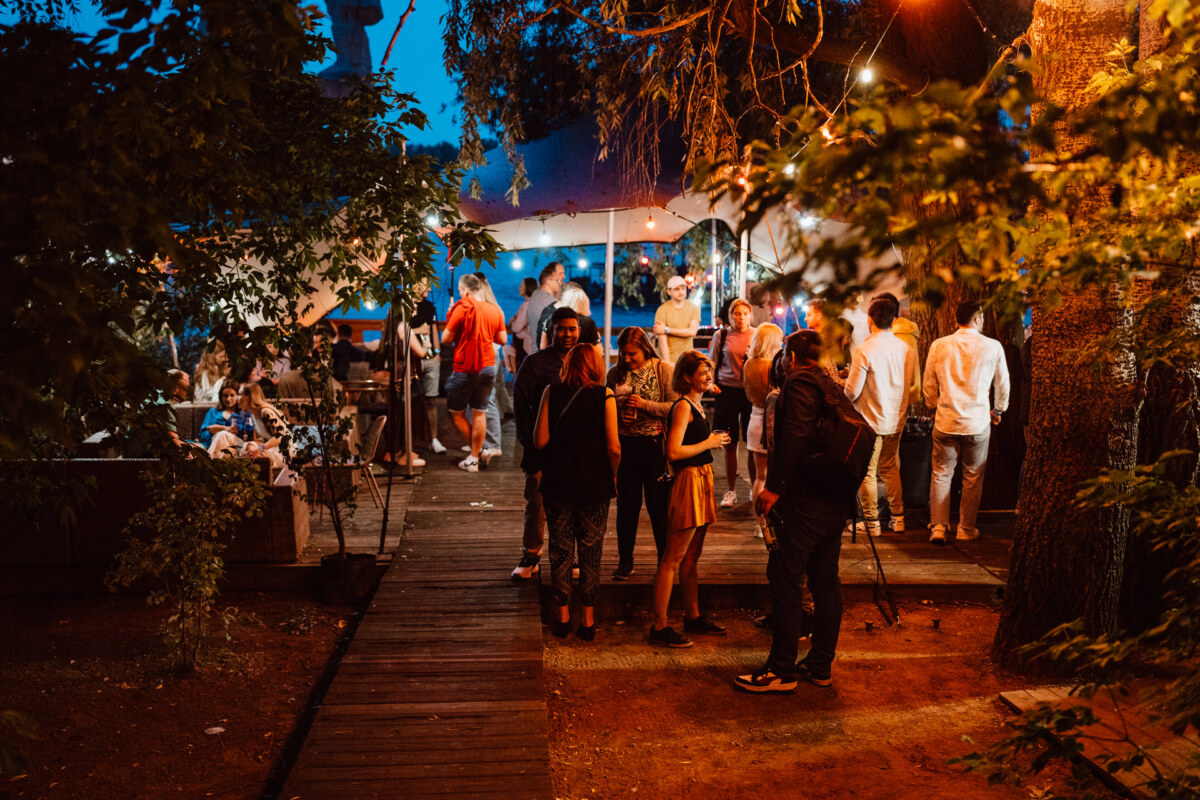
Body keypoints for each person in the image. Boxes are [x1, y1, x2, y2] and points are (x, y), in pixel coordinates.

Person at [736, 330, 857, 692]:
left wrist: (774, 487)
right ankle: (820, 666)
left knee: (786, 577)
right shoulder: (831, 385)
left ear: (790, 356)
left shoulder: (801, 381)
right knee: (824, 580)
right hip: (834, 496)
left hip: (807, 499)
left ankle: (781, 670)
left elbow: (795, 435)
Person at [533, 344, 620, 640]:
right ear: (595, 365)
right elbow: (613, 447)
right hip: (594, 484)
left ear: (568, 364)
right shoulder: (605, 396)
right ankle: (588, 622)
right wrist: (614, 473)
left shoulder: (551, 392)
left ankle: (562, 620)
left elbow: (540, 441)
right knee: (591, 552)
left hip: (558, 483)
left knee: (560, 551)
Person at [648, 351, 731, 648]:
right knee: (672, 558)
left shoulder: (696, 404)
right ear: (686, 377)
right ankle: (659, 626)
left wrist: (709, 445)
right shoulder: (683, 406)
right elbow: (672, 452)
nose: (709, 377)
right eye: (703, 373)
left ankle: (692, 616)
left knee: (692, 556)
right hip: (688, 481)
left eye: (710, 372)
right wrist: (708, 442)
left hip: (703, 478)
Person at [923, 300, 1010, 544]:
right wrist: (999, 410)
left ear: (956, 318)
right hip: (977, 421)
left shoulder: (939, 345)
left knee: (941, 473)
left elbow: (929, 381)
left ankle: (938, 527)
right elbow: (1002, 383)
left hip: (945, 420)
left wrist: (932, 407)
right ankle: (966, 528)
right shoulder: (993, 346)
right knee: (972, 477)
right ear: (977, 319)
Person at [511, 308, 580, 579]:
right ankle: (531, 555)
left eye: (572, 329)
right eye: (561, 329)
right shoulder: (535, 363)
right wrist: (529, 441)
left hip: (575, 447)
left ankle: (570, 556)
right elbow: (521, 404)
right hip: (540, 446)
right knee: (537, 502)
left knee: (573, 504)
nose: (567, 334)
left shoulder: (583, 362)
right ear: (551, 331)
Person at [606, 326, 677, 579]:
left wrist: (645, 405)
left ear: (645, 349)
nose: (627, 359)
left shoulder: (663, 370)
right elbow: (606, 408)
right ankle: (625, 561)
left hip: (654, 444)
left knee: (658, 507)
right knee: (627, 507)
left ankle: (663, 561)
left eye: (632, 354)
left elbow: (675, 407)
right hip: (626, 445)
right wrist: (618, 412)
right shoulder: (615, 374)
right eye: (623, 353)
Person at [843, 297, 917, 536]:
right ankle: (898, 518)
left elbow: (852, 390)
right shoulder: (906, 349)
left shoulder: (865, 349)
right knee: (889, 468)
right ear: (893, 320)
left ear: (869, 320)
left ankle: (872, 523)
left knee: (868, 471)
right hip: (896, 417)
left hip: (870, 420)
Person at [441, 273, 507, 472]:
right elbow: (502, 339)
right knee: (480, 413)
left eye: (461, 292)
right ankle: (475, 457)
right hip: (488, 366)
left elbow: (445, 338)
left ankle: (475, 454)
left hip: (466, 366)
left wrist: (453, 317)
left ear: (466, 291)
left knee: (456, 412)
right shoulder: (495, 310)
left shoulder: (462, 308)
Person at [709, 297, 757, 508]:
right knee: (729, 442)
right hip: (726, 391)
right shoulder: (722, 334)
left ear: (750, 315)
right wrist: (710, 383)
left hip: (749, 393)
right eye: (737, 313)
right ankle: (730, 490)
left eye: (745, 313)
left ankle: (754, 488)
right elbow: (710, 362)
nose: (741, 317)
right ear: (731, 315)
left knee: (753, 444)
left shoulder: (756, 335)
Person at [744, 323, 784, 538]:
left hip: (754, 417)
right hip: (770, 422)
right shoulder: (772, 366)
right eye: (778, 339)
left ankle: (760, 524)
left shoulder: (749, 363)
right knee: (769, 476)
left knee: (760, 476)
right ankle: (767, 522)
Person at [408, 279, 445, 454]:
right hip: (411, 359)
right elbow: (398, 330)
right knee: (411, 400)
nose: (429, 288)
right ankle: (410, 440)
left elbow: (433, 329)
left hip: (430, 357)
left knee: (432, 399)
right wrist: (416, 332)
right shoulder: (404, 304)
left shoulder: (429, 306)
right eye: (425, 284)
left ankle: (434, 439)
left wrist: (437, 353)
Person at [652, 275, 701, 364]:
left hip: (687, 360)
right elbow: (663, 342)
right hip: (667, 360)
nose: (681, 292)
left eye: (683, 288)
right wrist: (668, 363)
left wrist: (667, 329)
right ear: (669, 291)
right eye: (676, 289)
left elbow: (692, 332)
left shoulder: (694, 307)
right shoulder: (662, 310)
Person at [537, 281, 600, 350]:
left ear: (565, 301)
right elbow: (597, 350)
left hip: (555, 359)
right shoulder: (588, 322)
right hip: (580, 360)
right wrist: (598, 339)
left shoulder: (553, 319)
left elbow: (542, 348)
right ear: (585, 302)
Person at [239, 382, 288, 470]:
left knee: (253, 452)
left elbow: (280, 437)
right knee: (248, 447)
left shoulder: (265, 411)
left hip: (285, 450)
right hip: (273, 448)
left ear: (250, 397)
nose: (237, 398)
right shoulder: (253, 413)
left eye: (240, 395)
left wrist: (260, 448)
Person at [804, 299, 850, 386]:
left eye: (809, 315)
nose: (805, 319)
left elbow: (831, 378)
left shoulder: (826, 341)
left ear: (819, 316)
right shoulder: (818, 342)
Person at [202, 381, 256, 454]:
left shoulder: (244, 412)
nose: (228, 399)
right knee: (224, 444)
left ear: (238, 396)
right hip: (217, 445)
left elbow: (249, 433)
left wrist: (219, 429)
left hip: (239, 445)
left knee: (222, 435)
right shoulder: (213, 412)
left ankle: (209, 460)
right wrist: (226, 429)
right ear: (221, 397)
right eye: (225, 395)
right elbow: (204, 434)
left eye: (232, 395)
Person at [525, 262, 564, 353]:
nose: (563, 279)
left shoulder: (535, 295)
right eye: (559, 280)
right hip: (544, 354)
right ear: (548, 281)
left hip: (534, 352)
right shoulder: (550, 303)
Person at [507, 276, 539, 373]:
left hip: (526, 347)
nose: (519, 288)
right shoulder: (533, 303)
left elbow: (517, 327)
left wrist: (512, 323)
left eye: (521, 286)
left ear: (528, 288)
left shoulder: (527, 305)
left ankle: (515, 375)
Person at [839, 291, 869, 356]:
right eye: (853, 297)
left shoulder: (865, 317)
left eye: (858, 297)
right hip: (853, 356)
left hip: (866, 354)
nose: (855, 301)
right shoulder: (842, 318)